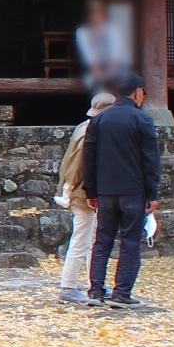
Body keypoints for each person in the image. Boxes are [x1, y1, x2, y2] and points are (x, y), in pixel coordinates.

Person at [85, 73, 161, 308]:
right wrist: (152, 193)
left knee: (102, 240)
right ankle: (121, 292)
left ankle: (96, 290)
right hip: (132, 189)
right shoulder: (142, 120)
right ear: (137, 92)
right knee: (129, 241)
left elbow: (89, 156)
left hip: (106, 190)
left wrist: (91, 191)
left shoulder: (99, 119)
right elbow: (150, 159)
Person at [54, 89, 113, 304]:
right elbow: (78, 167)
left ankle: (95, 283)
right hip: (83, 192)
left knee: (92, 240)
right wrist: (73, 189)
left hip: (83, 190)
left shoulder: (84, 128)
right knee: (82, 240)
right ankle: (68, 286)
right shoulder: (91, 133)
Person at [74, 0, 127, 88]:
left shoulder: (112, 29)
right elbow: (87, 53)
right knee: (97, 83)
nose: (96, 16)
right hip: (93, 67)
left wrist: (112, 65)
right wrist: (96, 70)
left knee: (123, 75)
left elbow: (116, 47)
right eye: (93, 13)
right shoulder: (82, 32)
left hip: (114, 65)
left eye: (99, 13)